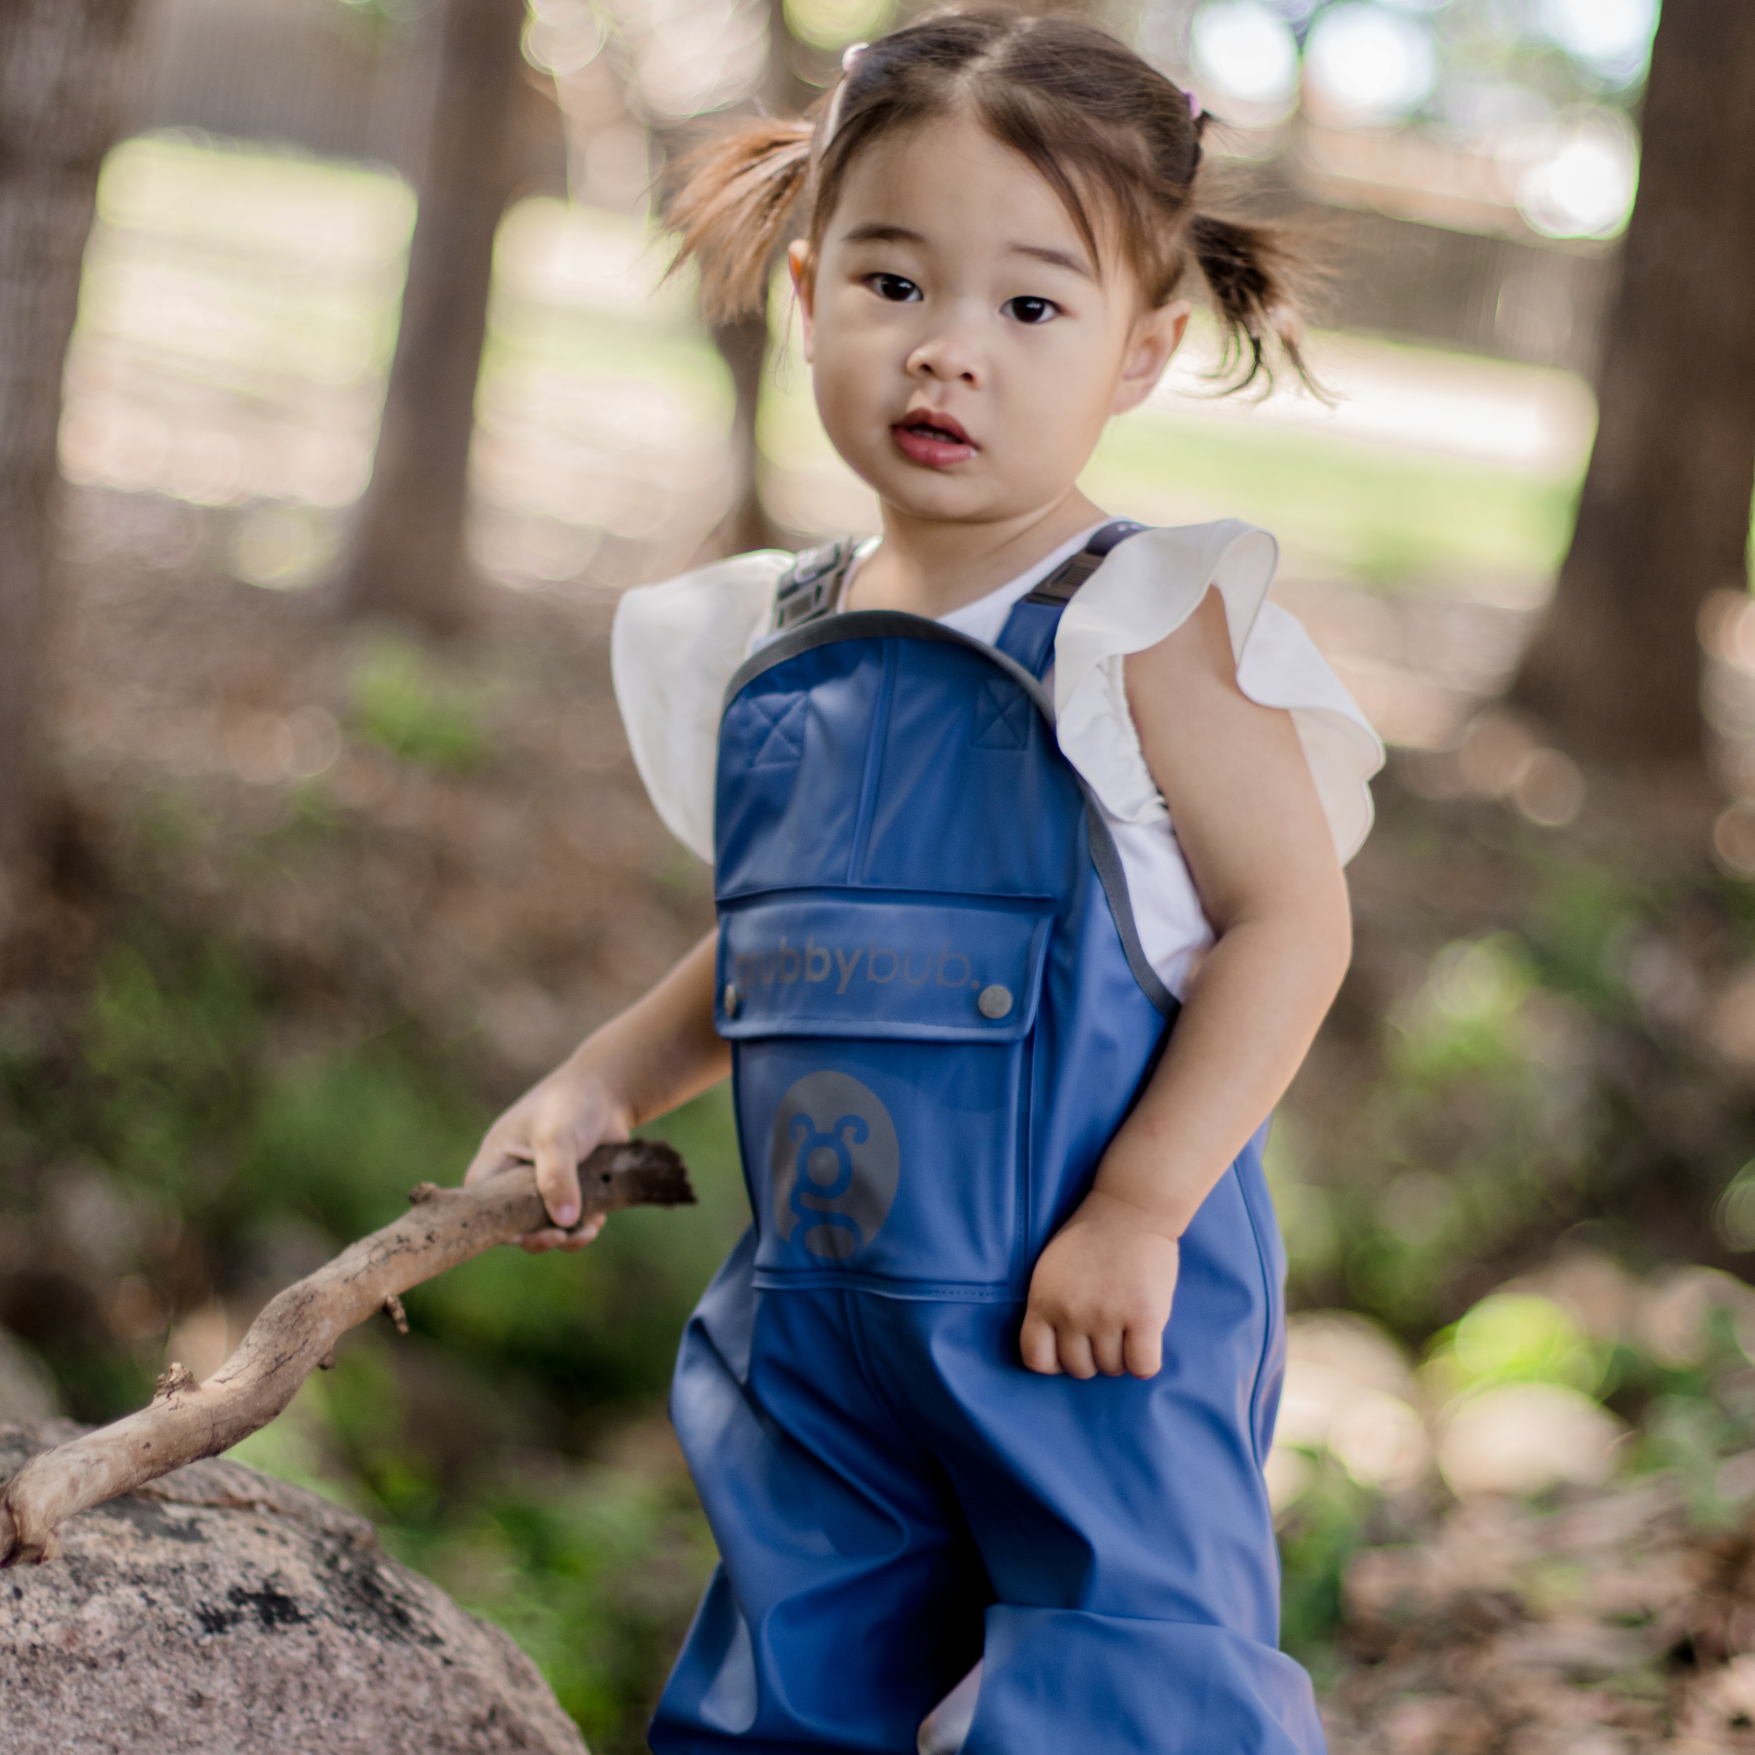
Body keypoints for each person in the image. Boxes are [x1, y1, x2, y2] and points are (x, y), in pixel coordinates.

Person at [465, 9, 1384, 1751]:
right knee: (789, 1683)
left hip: (1091, 1304)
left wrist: (1140, 1209)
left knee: (1128, 1684)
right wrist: (604, 1074)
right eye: (894, 285)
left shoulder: (1141, 622)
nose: (946, 355)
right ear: (806, 290)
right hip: (825, 1303)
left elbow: (1291, 922)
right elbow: (784, 937)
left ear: (1139, 348)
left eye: (1030, 306)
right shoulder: (782, 629)